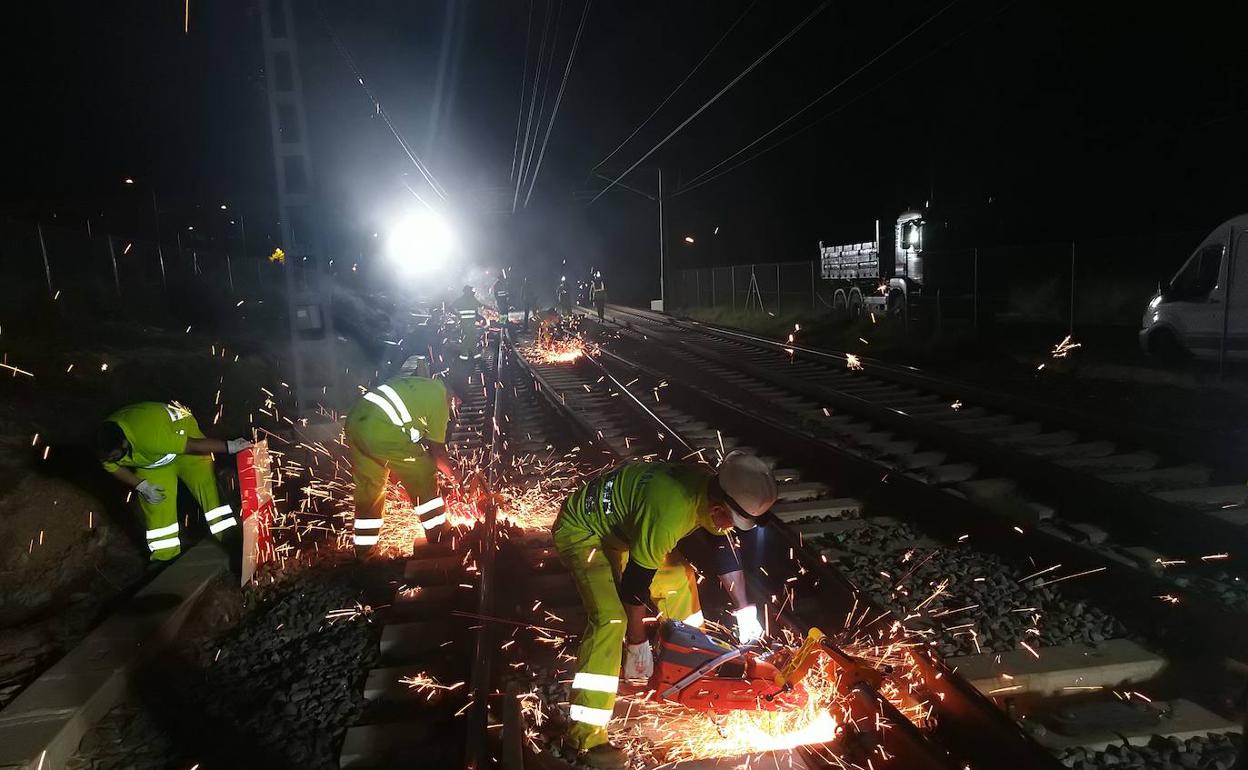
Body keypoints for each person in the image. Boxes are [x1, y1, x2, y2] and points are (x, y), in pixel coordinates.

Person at [553, 451, 777, 768]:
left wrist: (744, 610)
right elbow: (634, 586)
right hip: (584, 532)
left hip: (623, 534)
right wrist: (637, 642)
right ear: (717, 508)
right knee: (612, 618)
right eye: (730, 521)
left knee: (680, 583)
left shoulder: (707, 491)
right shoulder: (670, 509)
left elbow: (723, 554)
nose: (730, 528)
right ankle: (585, 739)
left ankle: (688, 683)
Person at [95, 402, 251, 562]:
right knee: (156, 505)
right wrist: (140, 485)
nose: (113, 460)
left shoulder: (150, 436)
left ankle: (232, 540)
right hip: (152, 464)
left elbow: (192, 445)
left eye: (116, 456)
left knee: (209, 491)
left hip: (184, 443)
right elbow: (114, 468)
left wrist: (230, 446)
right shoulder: (105, 447)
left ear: (124, 443)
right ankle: (165, 557)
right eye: (110, 458)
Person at [345, 374, 459, 555]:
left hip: (354, 424)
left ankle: (364, 551)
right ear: (454, 397)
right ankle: (438, 533)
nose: (455, 408)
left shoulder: (424, 384)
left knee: (370, 488)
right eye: (457, 404)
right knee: (423, 470)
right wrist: (455, 478)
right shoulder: (441, 401)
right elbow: (437, 453)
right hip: (381, 430)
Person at [452, 284, 482, 363]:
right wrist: (458, 314)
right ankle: (464, 355)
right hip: (465, 323)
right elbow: (451, 307)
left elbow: (479, 306)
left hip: (471, 322)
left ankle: (474, 354)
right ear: (467, 292)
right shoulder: (461, 300)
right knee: (467, 338)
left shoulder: (471, 299)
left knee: (472, 337)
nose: (472, 293)